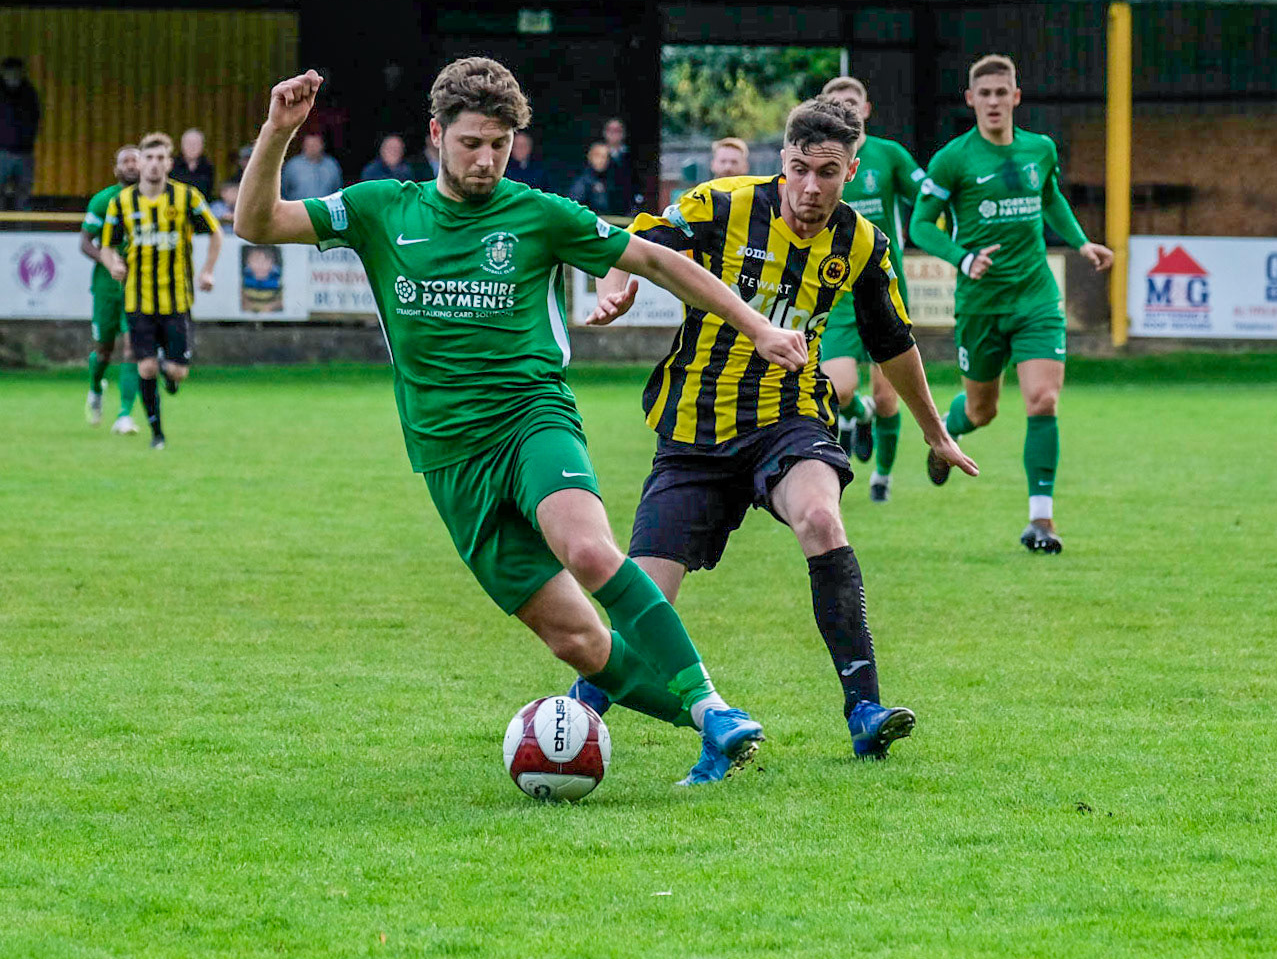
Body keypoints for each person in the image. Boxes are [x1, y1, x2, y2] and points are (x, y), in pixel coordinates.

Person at [233, 58, 806, 786]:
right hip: (448, 458)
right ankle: (708, 730)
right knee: (575, 639)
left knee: (589, 549)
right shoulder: (381, 208)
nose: (485, 159)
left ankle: (712, 704)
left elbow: (656, 262)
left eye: (499, 144)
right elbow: (258, 222)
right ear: (436, 134)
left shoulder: (539, 214)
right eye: (471, 142)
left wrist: (756, 325)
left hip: (531, 416)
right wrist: (279, 131)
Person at [577, 96, 977, 759]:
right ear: (781, 162)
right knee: (645, 599)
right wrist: (616, 284)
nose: (811, 188)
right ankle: (572, 723)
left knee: (821, 519)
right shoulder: (723, 204)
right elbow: (637, 241)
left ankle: (865, 709)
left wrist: (935, 431)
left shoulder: (861, 244)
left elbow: (893, 342)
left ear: (851, 169)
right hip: (694, 429)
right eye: (799, 169)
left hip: (788, 419)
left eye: (828, 172)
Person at [910, 54, 1113, 554]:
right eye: (986, 94)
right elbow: (919, 225)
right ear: (971, 101)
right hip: (980, 304)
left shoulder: (1039, 149)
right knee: (982, 411)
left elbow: (1050, 199)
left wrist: (1082, 243)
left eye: (1003, 93)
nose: (995, 102)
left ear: (1016, 98)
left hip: (1037, 296)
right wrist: (963, 257)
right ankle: (943, 437)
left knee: (1043, 400)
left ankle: (1040, 520)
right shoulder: (952, 158)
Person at [818, 77, 928, 502]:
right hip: (836, 290)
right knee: (840, 388)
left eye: (852, 101)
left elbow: (927, 198)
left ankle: (882, 476)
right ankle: (855, 413)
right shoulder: (819, 159)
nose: (845, 106)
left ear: (865, 109)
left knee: (888, 397)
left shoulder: (889, 155)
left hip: (885, 288)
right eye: (836, 102)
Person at [99, 132, 223, 451]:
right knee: (146, 366)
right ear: (140, 162)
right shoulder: (121, 202)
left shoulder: (187, 197)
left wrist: (207, 270)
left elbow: (216, 233)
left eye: (160, 158)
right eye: (148, 158)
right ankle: (157, 433)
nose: (154, 165)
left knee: (177, 372)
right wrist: (113, 263)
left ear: (169, 162)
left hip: (177, 299)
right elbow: (106, 246)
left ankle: (172, 376)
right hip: (137, 299)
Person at [78, 145, 142, 435]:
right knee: (104, 349)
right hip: (106, 286)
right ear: (116, 169)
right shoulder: (103, 200)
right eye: (124, 161)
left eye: (135, 160)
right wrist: (108, 258)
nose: (130, 165)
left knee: (133, 348)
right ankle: (95, 388)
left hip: (139, 285)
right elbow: (85, 242)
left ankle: (125, 414)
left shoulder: (153, 201)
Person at [0, 57, 40, 211]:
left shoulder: (29, 93)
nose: (14, 75)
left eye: (17, 72)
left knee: (24, 194)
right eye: (10, 72)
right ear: (3, 72)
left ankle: (23, 231)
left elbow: (35, 117)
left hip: (24, 152)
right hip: (0, 151)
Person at [282, 132, 343, 200]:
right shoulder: (292, 165)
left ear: (323, 145)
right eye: (309, 145)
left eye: (316, 144)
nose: (312, 148)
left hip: (324, 209)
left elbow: (337, 189)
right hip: (299, 208)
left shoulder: (331, 164)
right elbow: (284, 190)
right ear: (303, 146)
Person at [568, 141, 613, 214]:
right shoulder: (582, 182)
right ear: (589, 156)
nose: (602, 160)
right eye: (597, 155)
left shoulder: (610, 180)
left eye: (605, 157)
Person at [171, 128, 217, 199]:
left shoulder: (208, 166)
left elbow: (209, 192)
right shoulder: (172, 165)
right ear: (182, 145)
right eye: (189, 143)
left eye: (196, 144)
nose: (192, 147)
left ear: (202, 146)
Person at [602, 117, 634, 212]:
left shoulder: (630, 156)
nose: (613, 134)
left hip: (625, 206)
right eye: (610, 130)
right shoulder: (598, 154)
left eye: (617, 131)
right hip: (603, 205)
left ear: (623, 133)